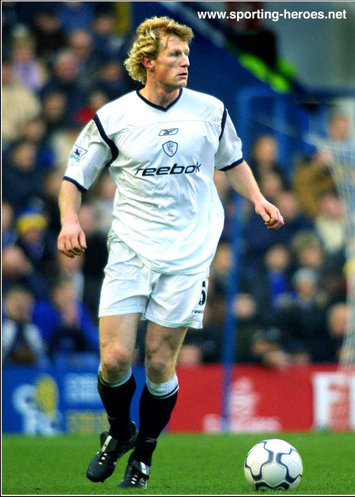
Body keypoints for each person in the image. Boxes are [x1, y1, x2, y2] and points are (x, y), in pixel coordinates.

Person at [57, 16, 284, 490]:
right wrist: (70, 221)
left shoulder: (210, 110)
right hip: (131, 249)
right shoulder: (114, 118)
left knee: (160, 364)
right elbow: (73, 179)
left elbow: (234, 161)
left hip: (188, 255)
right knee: (116, 358)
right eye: (175, 55)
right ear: (148, 63)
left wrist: (258, 198)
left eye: (186, 54)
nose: (185, 62)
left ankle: (144, 456)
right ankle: (119, 433)